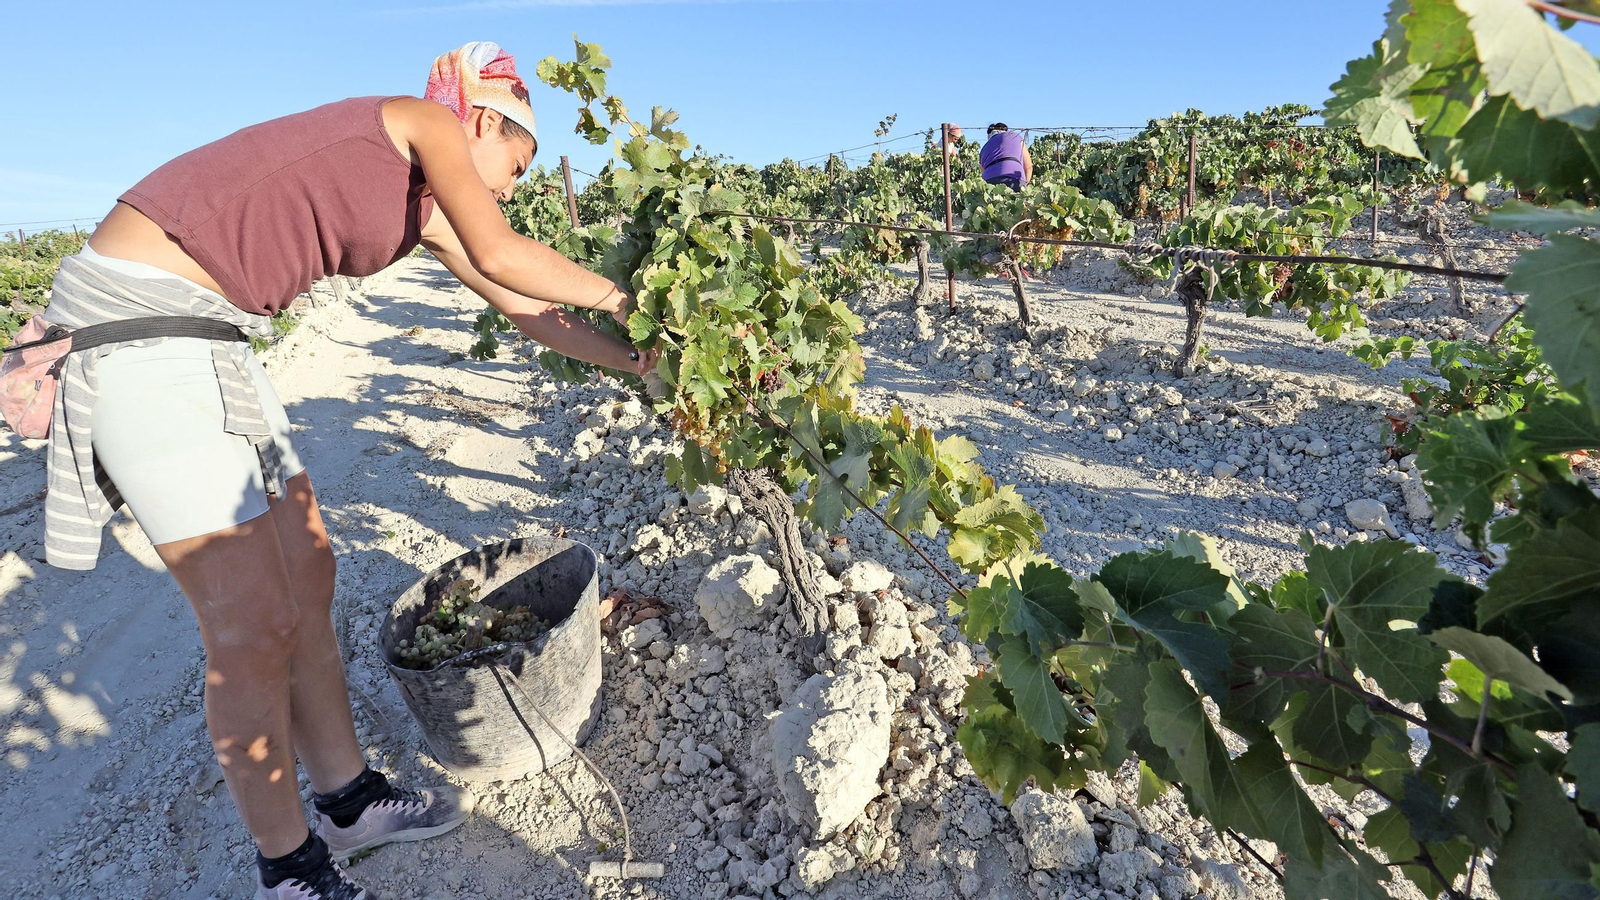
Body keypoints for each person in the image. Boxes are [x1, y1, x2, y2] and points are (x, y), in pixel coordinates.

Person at [37, 41, 656, 900]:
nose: (509, 188)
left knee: (310, 573)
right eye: (514, 164)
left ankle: (348, 800)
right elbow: (508, 253)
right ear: (481, 120)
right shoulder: (422, 123)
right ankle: (288, 870)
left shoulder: (426, 202)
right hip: (145, 328)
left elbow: (525, 306)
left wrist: (641, 362)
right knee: (252, 625)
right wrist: (632, 301)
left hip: (214, 335)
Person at [979, 123, 1033, 192]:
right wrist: (1024, 188)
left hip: (989, 180)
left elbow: (983, 173)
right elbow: (1029, 168)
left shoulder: (984, 148)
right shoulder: (1016, 136)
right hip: (1014, 178)